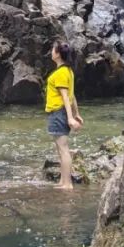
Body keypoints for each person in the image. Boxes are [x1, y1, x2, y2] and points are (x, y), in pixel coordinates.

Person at [45, 40, 83, 190]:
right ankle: (63, 180)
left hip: (58, 112)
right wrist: (77, 113)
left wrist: (70, 117)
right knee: (60, 148)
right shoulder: (68, 71)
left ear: (58, 54)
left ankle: (67, 184)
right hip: (60, 112)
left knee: (63, 148)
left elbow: (66, 97)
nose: (51, 52)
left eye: (53, 50)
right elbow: (72, 95)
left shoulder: (61, 73)